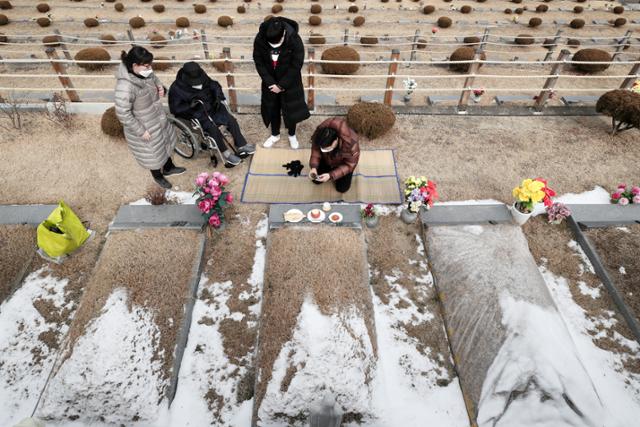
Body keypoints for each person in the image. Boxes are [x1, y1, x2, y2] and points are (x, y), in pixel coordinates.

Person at [114, 46, 184, 189]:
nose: (150, 68)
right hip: (145, 127)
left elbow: (154, 78)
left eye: (150, 65)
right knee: (153, 154)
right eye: (146, 66)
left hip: (157, 118)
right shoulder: (125, 87)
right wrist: (140, 131)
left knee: (164, 145)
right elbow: (123, 114)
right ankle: (158, 176)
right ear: (134, 65)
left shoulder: (144, 73)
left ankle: (169, 168)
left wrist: (160, 87)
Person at [168, 61, 255, 167]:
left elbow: (215, 85)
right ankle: (226, 153)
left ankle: (242, 145)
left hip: (213, 107)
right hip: (197, 114)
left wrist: (218, 96)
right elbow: (175, 109)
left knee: (230, 119)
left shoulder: (202, 76)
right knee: (213, 128)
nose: (198, 83)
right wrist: (190, 106)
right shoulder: (176, 88)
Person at [253, 17, 310, 149]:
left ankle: (292, 134)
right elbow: (259, 61)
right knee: (272, 108)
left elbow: (296, 64)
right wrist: (270, 83)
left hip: (290, 82)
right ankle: (275, 134)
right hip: (270, 83)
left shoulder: (294, 39)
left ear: (283, 34)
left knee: (291, 109)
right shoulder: (260, 38)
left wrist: (282, 85)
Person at [309, 117, 360, 193]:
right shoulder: (319, 133)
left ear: (335, 141)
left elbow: (349, 165)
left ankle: (334, 173)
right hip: (327, 159)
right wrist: (313, 167)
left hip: (343, 163)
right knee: (316, 180)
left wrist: (331, 175)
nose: (324, 150)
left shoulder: (351, 144)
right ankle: (326, 169)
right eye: (322, 149)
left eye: (327, 148)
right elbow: (315, 151)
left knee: (342, 189)